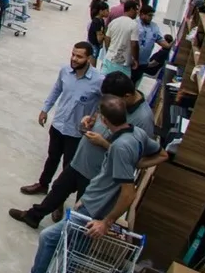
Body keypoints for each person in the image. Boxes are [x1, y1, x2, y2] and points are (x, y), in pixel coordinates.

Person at [28, 95, 166, 273]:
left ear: (105, 120)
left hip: (95, 208)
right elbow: (163, 154)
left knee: (48, 238)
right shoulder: (138, 133)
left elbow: (128, 193)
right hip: (90, 201)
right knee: (77, 248)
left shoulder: (120, 147)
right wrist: (136, 164)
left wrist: (106, 223)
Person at [11, 72, 163, 229]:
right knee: (58, 189)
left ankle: (67, 234)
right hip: (81, 159)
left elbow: (136, 156)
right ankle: (33, 216)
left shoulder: (143, 120)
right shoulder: (115, 99)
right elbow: (100, 114)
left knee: (82, 212)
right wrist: (91, 120)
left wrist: (104, 144)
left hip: (97, 174)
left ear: (126, 96)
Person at [19, 42, 103, 197]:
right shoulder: (65, 71)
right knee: (52, 157)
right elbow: (56, 89)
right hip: (58, 124)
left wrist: (94, 118)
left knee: (69, 166)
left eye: (79, 56)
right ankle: (43, 184)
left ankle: (59, 198)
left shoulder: (98, 80)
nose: (74, 59)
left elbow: (104, 103)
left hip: (77, 132)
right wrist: (45, 109)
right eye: (73, 54)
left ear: (89, 58)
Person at [134, 5, 171, 85]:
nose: (151, 18)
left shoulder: (154, 27)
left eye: (152, 16)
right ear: (142, 14)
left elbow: (160, 40)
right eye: (149, 15)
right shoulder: (134, 24)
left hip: (143, 62)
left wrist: (171, 45)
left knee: (135, 82)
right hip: (131, 61)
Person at [102, 0, 140, 76]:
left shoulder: (114, 22)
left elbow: (107, 39)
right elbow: (134, 44)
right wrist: (135, 59)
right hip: (123, 63)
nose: (137, 13)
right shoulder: (134, 25)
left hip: (109, 59)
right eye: (136, 10)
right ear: (131, 9)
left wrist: (109, 51)